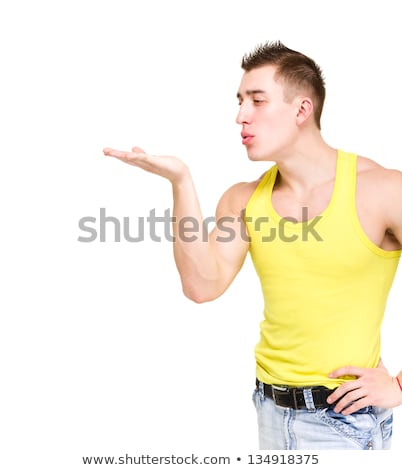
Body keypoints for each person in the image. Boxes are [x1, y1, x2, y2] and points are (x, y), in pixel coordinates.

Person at [103, 41, 402, 450]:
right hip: (269, 411)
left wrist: (399, 387)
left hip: (344, 422)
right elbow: (201, 286)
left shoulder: (383, 189)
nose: (240, 115)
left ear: (301, 110)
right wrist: (181, 181)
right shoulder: (243, 199)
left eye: (257, 101)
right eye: (240, 101)